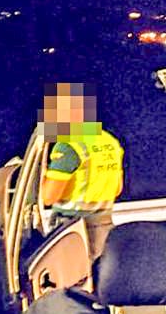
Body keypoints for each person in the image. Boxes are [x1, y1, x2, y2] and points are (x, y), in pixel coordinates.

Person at [39, 82, 124, 256]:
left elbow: (48, 197)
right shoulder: (109, 141)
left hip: (73, 230)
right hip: (105, 225)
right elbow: (117, 189)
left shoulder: (68, 146)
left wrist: (42, 178)